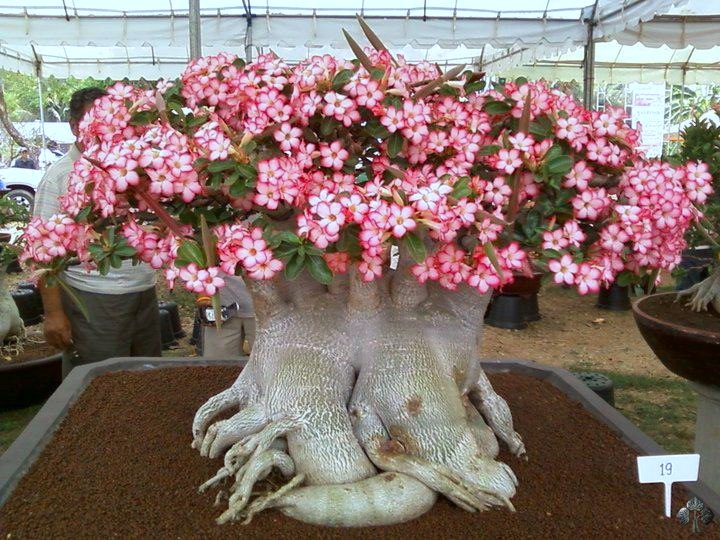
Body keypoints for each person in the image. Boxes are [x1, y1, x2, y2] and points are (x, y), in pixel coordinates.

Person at [35, 87, 161, 378]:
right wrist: (54, 312)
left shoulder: (131, 165)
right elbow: (42, 253)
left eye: (109, 117)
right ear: (73, 124)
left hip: (143, 291)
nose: (102, 126)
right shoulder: (60, 176)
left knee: (148, 378)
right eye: (92, 118)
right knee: (98, 384)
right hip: (94, 298)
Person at [200, 273, 255, 358]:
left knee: (273, 365)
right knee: (220, 366)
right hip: (221, 308)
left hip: (270, 309)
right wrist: (203, 297)